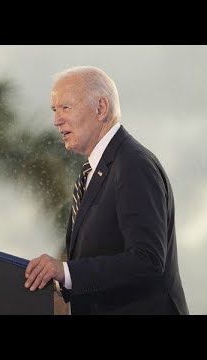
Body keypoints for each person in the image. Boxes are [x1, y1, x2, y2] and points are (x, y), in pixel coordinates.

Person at [24, 66, 189, 315]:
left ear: (101, 108)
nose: (56, 120)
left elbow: (147, 260)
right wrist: (62, 281)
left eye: (65, 108)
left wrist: (66, 271)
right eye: (54, 110)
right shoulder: (92, 172)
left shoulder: (133, 164)